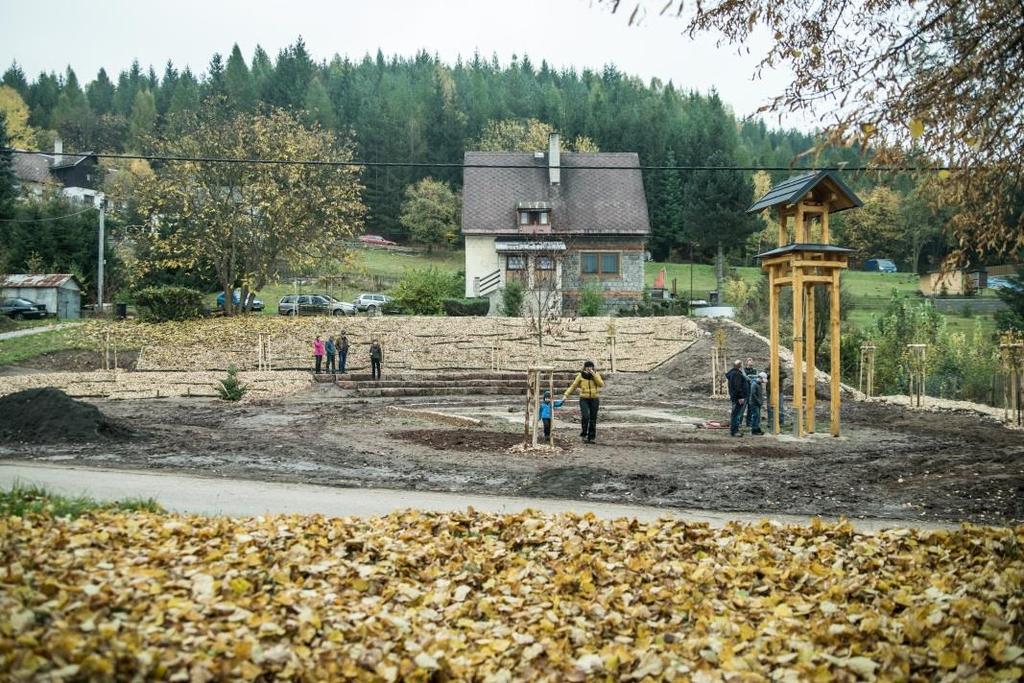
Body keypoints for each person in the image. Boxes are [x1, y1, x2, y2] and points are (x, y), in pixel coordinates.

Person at [563, 360, 604, 443]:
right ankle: (584, 434)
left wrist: (594, 375)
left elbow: (601, 384)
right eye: (587, 367)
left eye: (591, 367)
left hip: (594, 399)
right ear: (585, 367)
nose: (589, 368)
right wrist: (566, 395)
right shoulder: (581, 375)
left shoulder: (596, 374)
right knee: (585, 416)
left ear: (593, 367)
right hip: (584, 399)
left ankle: (591, 437)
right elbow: (573, 386)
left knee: (593, 418)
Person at [726, 359, 747, 437]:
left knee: (735, 414)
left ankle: (734, 430)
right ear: (739, 366)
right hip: (738, 398)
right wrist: (741, 397)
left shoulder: (733, 373)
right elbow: (737, 386)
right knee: (736, 414)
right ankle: (735, 431)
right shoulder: (736, 374)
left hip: (735, 397)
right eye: (741, 365)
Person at [743, 357, 759, 428]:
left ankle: (748, 423)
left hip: (752, 392)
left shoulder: (755, 370)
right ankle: (739, 422)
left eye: (751, 360)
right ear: (747, 362)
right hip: (745, 391)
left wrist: (751, 377)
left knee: (750, 408)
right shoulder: (744, 370)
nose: (750, 362)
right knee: (742, 408)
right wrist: (751, 378)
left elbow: (757, 377)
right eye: (749, 360)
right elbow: (745, 377)